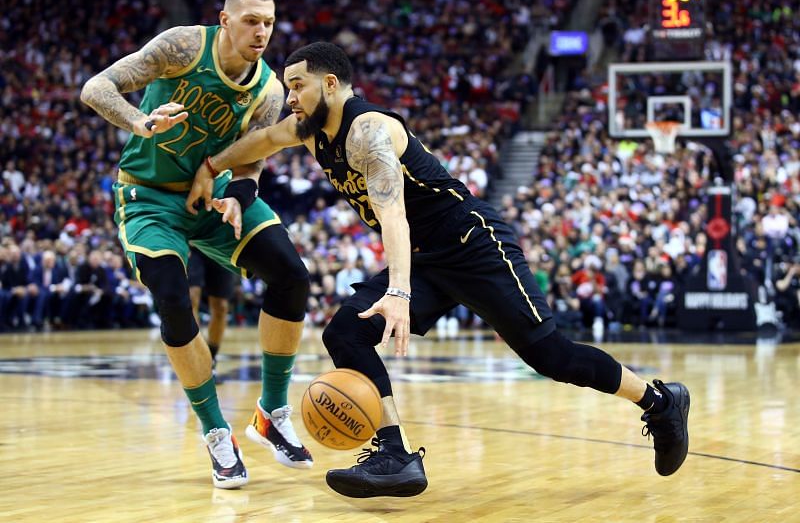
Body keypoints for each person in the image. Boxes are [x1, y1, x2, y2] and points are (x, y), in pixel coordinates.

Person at [188, 42, 691, 497]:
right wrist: (210, 169)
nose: (289, 95)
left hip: (473, 245)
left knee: (551, 357)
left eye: (297, 84)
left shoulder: (369, 131)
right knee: (346, 331)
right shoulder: (308, 130)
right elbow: (258, 144)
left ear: (332, 84)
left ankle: (661, 400)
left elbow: (393, 215)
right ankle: (396, 456)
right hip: (428, 257)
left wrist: (400, 292)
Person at [80, 0, 313, 489]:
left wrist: (240, 196)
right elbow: (95, 88)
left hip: (214, 197)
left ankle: (271, 412)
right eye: (251, 20)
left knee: (292, 277)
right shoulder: (183, 46)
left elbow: (254, 157)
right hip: (149, 196)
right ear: (224, 21)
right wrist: (141, 122)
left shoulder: (270, 90)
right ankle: (215, 433)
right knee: (172, 295)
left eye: (269, 23)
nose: (261, 31)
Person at [188, 247, 235, 366]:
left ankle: (211, 358)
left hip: (220, 246)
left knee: (221, 307)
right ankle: (198, 356)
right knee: (191, 298)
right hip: (192, 246)